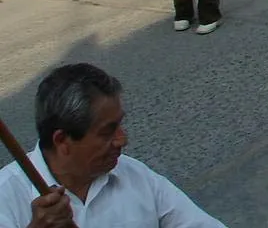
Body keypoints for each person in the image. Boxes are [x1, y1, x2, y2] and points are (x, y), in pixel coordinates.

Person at [0, 63, 227, 227]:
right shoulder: (7, 196)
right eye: (107, 131)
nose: (122, 140)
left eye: (120, 125)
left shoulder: (134, 176)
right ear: (62, 141)